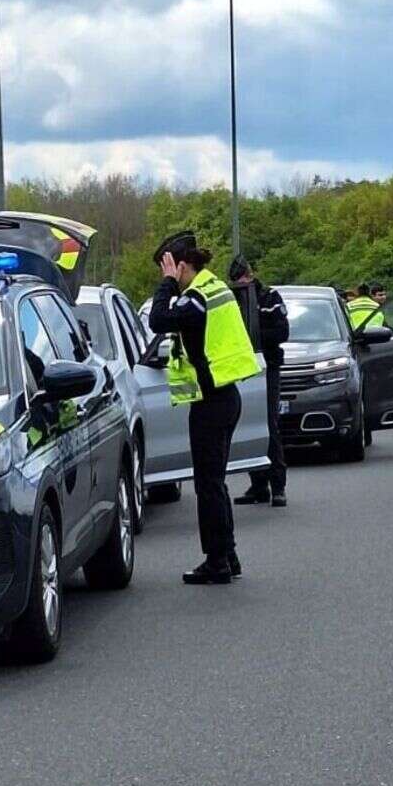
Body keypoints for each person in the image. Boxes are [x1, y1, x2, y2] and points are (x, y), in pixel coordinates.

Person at [148, 231, 261, 584]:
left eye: (167, 268)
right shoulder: (214, 289)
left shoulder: (196, 298)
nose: (165, 276)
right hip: (225, 398)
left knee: (208, 485)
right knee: (215, 483)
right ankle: (228, 554)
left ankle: (217, 562)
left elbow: (158, 319)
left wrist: (167, 283)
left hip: (213, 403)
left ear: (181, 265)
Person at [229, 256, 290, 507]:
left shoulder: (269, 298)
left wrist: (252, 337)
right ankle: (258, 485)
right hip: (242, 368)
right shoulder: (232, 300)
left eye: (243, 278)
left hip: (268, 367)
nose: (240, 283)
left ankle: (278, 486)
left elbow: (282, 331)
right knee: (249, 425)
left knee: (269, 426)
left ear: (251, 275)